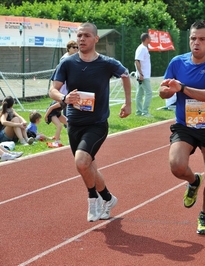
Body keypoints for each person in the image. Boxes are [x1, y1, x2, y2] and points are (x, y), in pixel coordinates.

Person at [49, 22, 132, 222]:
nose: (81, 39)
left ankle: (92, 198)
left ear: (96, 39)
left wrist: (128, 104)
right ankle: (108, 198)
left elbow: (125, 74)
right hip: (74, 123)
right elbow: (53, 89)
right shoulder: (67, 63)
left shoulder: (106, 63)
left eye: (86, 36)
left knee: (81, 161)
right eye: (79, 36)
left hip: (97, 123)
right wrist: (63, 98)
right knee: (87, 166)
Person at [159, 20, 205, 234]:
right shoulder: (177, 63)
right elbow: (162, 91)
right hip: (184, 125)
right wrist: (168, 91)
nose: (196, 43)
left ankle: (204, 215)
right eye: (193, 38)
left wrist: (182, 88)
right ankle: (193, 180)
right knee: (176, 166)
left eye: (202, 39)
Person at [134, 33, 153, 117]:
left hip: (143, 75)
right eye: (150, 37)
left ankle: (139, 112)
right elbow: (137, 61)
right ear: (146, 39)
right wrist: (141, 74)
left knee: (140, 93)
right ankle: (144, 112)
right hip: (143, 75)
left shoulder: (144, 48)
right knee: (149, 92)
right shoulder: (142, 48)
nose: (151, 39)